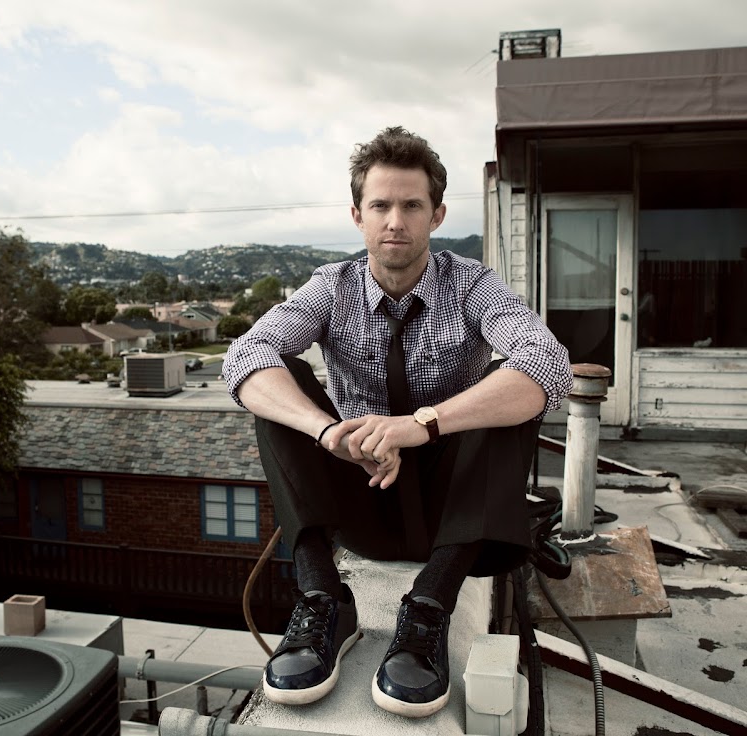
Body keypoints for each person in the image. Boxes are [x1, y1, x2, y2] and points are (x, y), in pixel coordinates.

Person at [223, 126, 572, 718]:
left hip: (454, 518)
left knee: (509, 388)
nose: (395, 221)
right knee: (279, 383)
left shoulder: (472, 284)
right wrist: (329, 433)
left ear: (436, 215)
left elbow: (548, 363)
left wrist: (421, 424)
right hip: (362, 500)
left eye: (411, 206)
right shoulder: (331, 287)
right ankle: (323, 599)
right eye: (380, 205)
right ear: (357, 215)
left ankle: (429, 611)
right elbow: (242, 356)